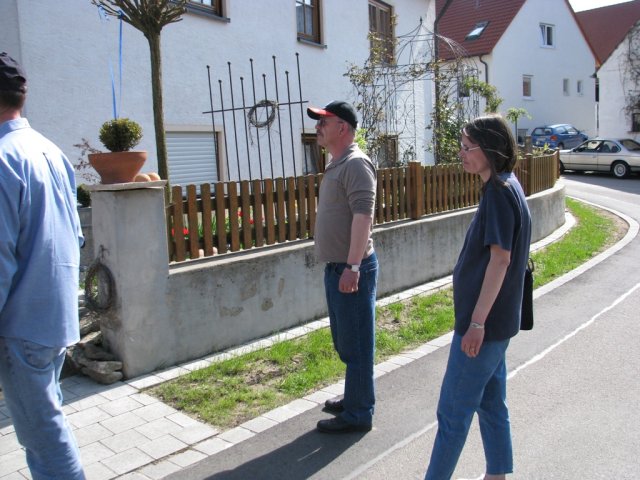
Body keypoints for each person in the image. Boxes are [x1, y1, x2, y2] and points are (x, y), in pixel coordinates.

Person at [424, 115, 531, 479]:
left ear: (490, 149)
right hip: (498, 326)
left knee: (452, 414)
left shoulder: (499, 192)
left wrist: (476, 323)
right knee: (491, 404)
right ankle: (497, 474)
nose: (462, 153)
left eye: (468, 147)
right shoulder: (507, 184)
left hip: (484, 329)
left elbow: (501, 260)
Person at [0, 52, 86, 479]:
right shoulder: (49, 150)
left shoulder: (3, 157)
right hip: (55, 316)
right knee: (49, 424)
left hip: (20, 324)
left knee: (43, 438)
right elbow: (77, 235)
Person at [307, 100, 378, 433]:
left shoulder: (356, 164)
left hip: (351, 269)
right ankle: (354, 398)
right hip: (337, 268)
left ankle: (359, 413)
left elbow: (364, 217)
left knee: (357, 344)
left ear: (343, 128)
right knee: (346, 341)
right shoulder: (337, 163)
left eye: (324, 121)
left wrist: (353, 266)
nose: (318, 127)